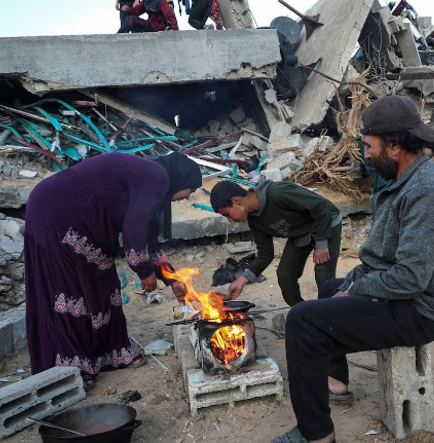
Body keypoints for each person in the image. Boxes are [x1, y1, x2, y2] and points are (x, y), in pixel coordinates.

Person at [254, 95, 434, 443]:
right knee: (327, 289)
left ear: (395, 146)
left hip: (421, 310)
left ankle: (316, 436)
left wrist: (357, 288)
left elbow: (410, 279)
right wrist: (351, 281)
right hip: (404, 296)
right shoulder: (400, 179)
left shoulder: (428, 193)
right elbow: (380, 259)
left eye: (369, 146)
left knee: (303, 320)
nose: (365, 155)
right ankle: (335, 382)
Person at [23, 152, 201, 387]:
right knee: (69, 286)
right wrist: (144, 271)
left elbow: (150, 241)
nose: (187, 197)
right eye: (191, 191)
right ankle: (72, 367)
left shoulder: (151, 178)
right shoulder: (157, 176)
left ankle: (107, 354)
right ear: (182, 180)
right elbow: (133, 231)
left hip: (74, 213)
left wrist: (173, 280)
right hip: (56, 209)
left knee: (101, 280)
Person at [210, 179, 341, 307]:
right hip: (300, 232)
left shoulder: (277, 193)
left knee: (324, 277)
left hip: (326, 223)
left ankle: (328, 317)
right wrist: (242, 280)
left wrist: (321, 244)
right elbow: (265, 254)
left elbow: (320, 206)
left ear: (236, 201)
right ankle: (301, 311)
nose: (230, 220)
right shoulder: (255, 221)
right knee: (285, 274)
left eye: (227, 214)